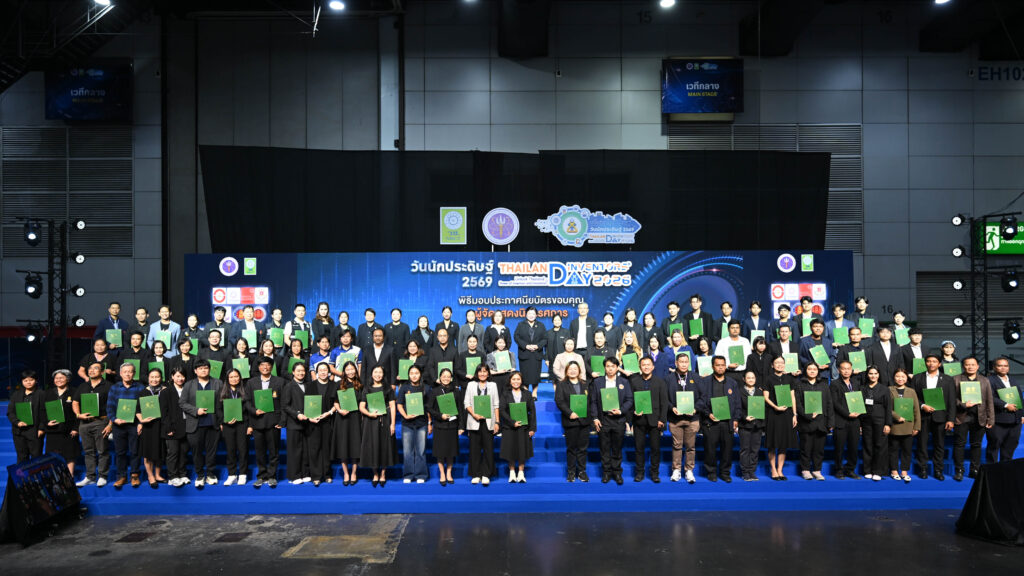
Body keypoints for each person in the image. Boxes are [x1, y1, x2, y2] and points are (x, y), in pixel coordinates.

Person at [910, 354, 956, 480]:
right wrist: (922, 405)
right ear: (925, 363)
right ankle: (923, 469)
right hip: (923, 416)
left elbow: (951, 401)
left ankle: (938, 470)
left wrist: (951, 419)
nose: (931, 363)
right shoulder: (917, 378)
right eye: (929, 361)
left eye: (934, 361)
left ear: (939, 364)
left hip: (941, 416)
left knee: (939, 445)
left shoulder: (947, 379)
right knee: (922, 444)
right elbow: (913, 397)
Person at [179, 359, 224, 488]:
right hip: (195, 424)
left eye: (206, 368)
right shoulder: (189, 384)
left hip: (213, 423)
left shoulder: (218, 383)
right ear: (195, 371)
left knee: (211, 451)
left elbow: (222, 404)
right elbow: (182, 403)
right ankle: (200, 475)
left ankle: (210, 474)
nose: (203, 370)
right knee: (197, 452)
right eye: (200, 368)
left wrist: (221, 421)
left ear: (209, 369)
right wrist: (196, 410)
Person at [589, 357, 633, 485]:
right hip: (603, 420)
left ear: (617, 368)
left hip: (618, 420)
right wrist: (595, 418)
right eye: (608, 366)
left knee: (617, 448)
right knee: (604, 448)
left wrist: (621, 411)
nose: (610, 369)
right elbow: (593, 401)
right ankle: (606, 472)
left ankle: (617, 472)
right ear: (604, 367)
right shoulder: (597, 382)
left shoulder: (624, 382)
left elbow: (629, 400)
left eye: (613, 366)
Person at [698, 356, 741, 482]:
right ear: (713, 367)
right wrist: (708, 414)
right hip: (710, 422)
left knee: (727, 450)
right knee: (710, 449)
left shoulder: (732, 383)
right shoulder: (705, 382)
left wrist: (736, 419)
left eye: (723, 365)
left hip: (728, 422)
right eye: (718, 365)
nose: (720, 367)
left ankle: (725, 472)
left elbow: (737, 403)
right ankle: (711, 472)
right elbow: (700, 401)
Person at [952, 357, 994, 481]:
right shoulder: (955, 379)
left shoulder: (984, 380)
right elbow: (951, 399)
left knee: (976, 444)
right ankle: (959, 470)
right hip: (961, 417)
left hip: (979, 417)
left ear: (977, 366)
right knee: (959, 444)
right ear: (963, 366)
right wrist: (963, 404)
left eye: (973, 364)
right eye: (967, 364)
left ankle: (974, 470)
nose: (970, 367)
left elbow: (989, 400)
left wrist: (991, 419)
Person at [245, 357, 284, 488]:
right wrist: (254, 411)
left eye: (267, 365)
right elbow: (247, 401)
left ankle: (272, 476)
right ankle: (261, 476)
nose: (265, 367)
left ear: (271, 367)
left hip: (273, 422)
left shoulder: (280, 381)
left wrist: (282, 421)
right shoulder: (251, 382)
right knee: (259, 451)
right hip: (257, 421)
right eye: (262, 365)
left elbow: (284, 402)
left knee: (274, 451)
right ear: (258, 367)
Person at [73, 362, 111, 487]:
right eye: (90, 368)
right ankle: (90, 477)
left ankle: (102, 476)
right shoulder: (83, 386)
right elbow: (75, 402)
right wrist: (78, 415)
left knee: (102, 451)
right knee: (88, 451)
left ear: (102, 371)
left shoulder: (108, 386)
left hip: (101, 422)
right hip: (84, 423)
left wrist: (110, 424)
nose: (91, 370)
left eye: (95, 368)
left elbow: (114, 406)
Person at [359, 365, 397, 487]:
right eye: (375, 372)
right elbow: (361, 407)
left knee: (385, 446)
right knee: (372, 446)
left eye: (380, 372)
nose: (378, 374)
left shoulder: (388, 388)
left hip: (385, 420)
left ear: (383, 374)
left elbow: (392, 406)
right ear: (371, 374)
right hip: (370, 421)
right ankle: (375, 473)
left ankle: (383, 473)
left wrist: (392, 424)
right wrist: (369, 414)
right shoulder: (367, 388)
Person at [108, 363, 144, 488]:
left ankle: (135, 475)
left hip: (134, 424)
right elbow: (110, 407)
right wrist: (114, 420)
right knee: (120, 452)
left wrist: (141, 423)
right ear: (120, 373)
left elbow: (143, 408)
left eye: (130, 371)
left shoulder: (140, 388)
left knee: (135, 451)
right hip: (119, 425)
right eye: (125, 372)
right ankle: (121, 476)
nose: (127, 374)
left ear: (134, 373)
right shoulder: (114, 388)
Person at [666, 353, 700, 484]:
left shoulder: (695, 377)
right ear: (676, 363)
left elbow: (703, 397)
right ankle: (676, 469)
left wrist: (696, 409)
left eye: (686, 362)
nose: (684, 364)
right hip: (675, 418)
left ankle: (689, 470)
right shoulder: (669, 379)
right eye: (681, 362)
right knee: (677, 445)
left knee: (691, 446)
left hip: (692, 418)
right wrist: (672, 408)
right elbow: (664, 398)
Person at [795, 362, 833, 481]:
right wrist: (807, 415)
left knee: (819, 449)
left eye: (814, 369)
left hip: (821, 422)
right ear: (805, 371)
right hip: (806, 422)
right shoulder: (799, 385)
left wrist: (830, 422)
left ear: (818, 371)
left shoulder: (824, 385)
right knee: (805, 448)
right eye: (809, 369)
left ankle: (817, 470)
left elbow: (829, 403)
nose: (812, 371)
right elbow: (797, 403)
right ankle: (805, 470)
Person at [630, 356, 666, 483]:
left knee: (655, 449)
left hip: (655, 421)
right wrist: (633, 412)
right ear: (640, 367)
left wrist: (662, 419)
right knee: (639, 448)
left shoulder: (660, 382)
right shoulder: (634, 382)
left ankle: (654, 473)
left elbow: (664, 403)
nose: (646, 367)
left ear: (653, 367)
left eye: (648, 364)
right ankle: (639, 473)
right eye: (643, 365)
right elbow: (630, 400)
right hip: (639, 420)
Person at [554, 361, 590, 482]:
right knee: (571, 448)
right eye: (570, 369)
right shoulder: (561, 384)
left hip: (584, 421)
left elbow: (590, 401)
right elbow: (559, 401)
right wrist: (570, 413)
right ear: (566, 371)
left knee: (583, 449)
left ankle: (582, 472)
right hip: (570, 421)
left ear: (579, 370)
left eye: (575, 368)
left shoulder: (585, 384)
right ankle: (571, 472)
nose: (573, 371)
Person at [764, 356, 799, 481]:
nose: (779, 364)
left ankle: (780, 470)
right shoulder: (768, 379)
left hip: (787, 414)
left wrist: (794, 414)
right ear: (772, 365)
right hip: (773, 413)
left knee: (783, 443)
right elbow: (765, 397)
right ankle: (773, 469)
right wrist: (776, 407)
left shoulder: (789, 378)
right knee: (772, 443)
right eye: (777, 362)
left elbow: (793, 397)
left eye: (782, 362)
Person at [465, 364, 500, 486]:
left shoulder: (493, 385)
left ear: (488, 373)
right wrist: (474, 414)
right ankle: (475, 474)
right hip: (474, 421)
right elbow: (467, 403)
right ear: (477, 373)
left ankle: (486, 474)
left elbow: (496, 405)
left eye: (485, 371)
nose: (483, 374)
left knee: (488, 449)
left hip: (488, 422)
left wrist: (497, 422)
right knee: (474, 449)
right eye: (480, 371)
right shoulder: (471, 385)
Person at [426, 367, 462, 486]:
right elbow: (429, 408)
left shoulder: (456, 391)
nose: (446, 378)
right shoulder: (434, 391)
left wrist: (461, 426)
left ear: (451, 378)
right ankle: (442, 473)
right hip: (439, 425)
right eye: (444, 376)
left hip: (452, 425)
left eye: (448, 376)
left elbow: (460, 409)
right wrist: (440, 415)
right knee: (440, 452)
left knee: (451, 452)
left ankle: (449, 473)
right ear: (440, 378)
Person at [499, 371, 536, 483]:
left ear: (521, 380)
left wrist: (532, 428)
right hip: (509, 427)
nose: (516, 381)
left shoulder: (527, 394)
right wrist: (512, 422)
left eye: (518, 379)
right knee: (510, 450)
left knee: (522, 450)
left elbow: (532, 412)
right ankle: (512, 472)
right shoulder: (505, 393)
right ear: (510, 381)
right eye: (513, 379)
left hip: (524, 427)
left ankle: (521, 472)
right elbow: (502, 410)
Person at [281, 362, 314, 485]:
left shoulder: (308, 385)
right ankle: (294, 475)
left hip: (307, 423)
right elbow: (285, 406)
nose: (301, 373)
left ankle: (305, 473)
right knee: (294, 450)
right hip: (294, 423)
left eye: (303, 371)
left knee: (305, 450)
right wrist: (297, 414)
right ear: (293, 372)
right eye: (298, 371)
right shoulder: (288, 386)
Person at [332, 361, 363, 486]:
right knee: (343, 446)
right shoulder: (339, 384)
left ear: (355, 370)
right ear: (344, 371)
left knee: (355, 446)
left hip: (356, 418)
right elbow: (335, 401)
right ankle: (346, 473)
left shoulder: (360, 384)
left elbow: (363, 402)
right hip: (342, 418)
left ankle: (354, 472)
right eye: (348, 369)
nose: (350, 372)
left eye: (352, 369)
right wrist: (339, 410)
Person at [397, 364, 430, 483]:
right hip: (407, 423)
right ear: (408, 375)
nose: (414, 376)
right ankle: (408, 474)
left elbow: (429, 407)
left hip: (422, 423)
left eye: (416, 373)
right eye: (411, 373)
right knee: (407, 451)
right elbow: (399, 404)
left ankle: (421, 474)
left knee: (421, 450)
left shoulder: (426, 388)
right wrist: (405, 415)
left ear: (420, 374)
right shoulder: (404, 388)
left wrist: (429, 423)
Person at [988, 356, 1024, 463]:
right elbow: (989, 397)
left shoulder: (1013, 380)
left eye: (1006, 366)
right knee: (994, 446)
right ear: (994, 367)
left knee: (1010, 447)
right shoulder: (989, 380)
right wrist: (1005, 405)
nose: (1003, 368)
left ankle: (1005, 469)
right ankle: (992, 469)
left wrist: (1022, 414)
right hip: (998, 420)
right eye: (1000, 366)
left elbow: (1020, 398)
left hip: (1015, 420)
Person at [831, 360, 863, 479]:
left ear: (851, 370)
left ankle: (850, 470)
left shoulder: (856, 383)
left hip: (855, 421)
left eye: (848, 368)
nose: (846, 371)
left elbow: (859, 400)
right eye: (843, 368)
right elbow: (835, 403)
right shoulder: (834, 384)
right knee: (839, 448)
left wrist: (859, 413)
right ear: (839, 370)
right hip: (841, 420)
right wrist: (848, 414)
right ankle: (839, 470)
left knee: (853, 447)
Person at [43, 369, 79, 476]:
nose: (58, 380)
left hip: (69, 429)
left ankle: (70, 477)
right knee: (52, 455)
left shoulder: (75, 392)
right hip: (53, 430)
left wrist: (76, 428)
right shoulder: (48, 393)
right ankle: (55, 477)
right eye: (56, 378)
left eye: (61, 378)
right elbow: (42, 411)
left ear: (67, 379)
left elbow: (79, 411)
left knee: (70, 454)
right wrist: (47, 422)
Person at [861, 366, 892, 481]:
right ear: (867, 375)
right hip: (866, 421)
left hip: (880, 421)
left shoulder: (884, 389)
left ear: (878, 375)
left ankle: (878, 471)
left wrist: (888, 424)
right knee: (867, 445)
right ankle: (867, 470)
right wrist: (860, 424)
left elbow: (888, 407)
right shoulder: (862, 388)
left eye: (875, 373)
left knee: (880, 446)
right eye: (870, 373)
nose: (873, 376)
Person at [888, 368, 920, 482]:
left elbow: (916, 409)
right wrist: (896, 416)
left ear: (907, 378)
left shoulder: (911, 391)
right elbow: (886, 407)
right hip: (894, 425)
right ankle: (894, 470)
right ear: (894, 377)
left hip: (908, 425)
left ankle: (904, 471)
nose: (900, 379)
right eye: (898, 376)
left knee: (907, 450)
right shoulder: (889, 390)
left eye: (903, 376)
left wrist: (917, 426)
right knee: (893, 450)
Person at [219, 368, 249, 486]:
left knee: (243, 450)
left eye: (236, 376)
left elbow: (249, 409)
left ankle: (242, 474)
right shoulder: (222, 391)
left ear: (240, 378)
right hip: (228, 425)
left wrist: (250, 425)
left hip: (242, 424)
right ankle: (232, 475)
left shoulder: (245, 390)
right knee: (230, 450)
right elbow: (218, 410)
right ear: (227, 379)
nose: (234, 379)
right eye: (231, 377)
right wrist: (224, 420)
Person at [161, 368, 191, 487]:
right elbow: (164, 413)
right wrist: (168, 428)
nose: (180, 378)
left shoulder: (188, 390)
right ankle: (173, 476)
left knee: (184, 452)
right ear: (172, 377)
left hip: (186, 426)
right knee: (173, 453)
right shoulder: (166, 392)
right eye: (177, 376)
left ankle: (182, 474)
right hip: (171, 428)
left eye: (182, 376)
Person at [137, 368, 166, 488]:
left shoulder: (165, 391)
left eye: (157, 377)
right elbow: (138, 410)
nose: (154, 379)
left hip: (161, 425)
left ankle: (158, 474)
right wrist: (141, 421)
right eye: (152, 377)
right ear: (148, 378)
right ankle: (150, 476)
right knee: (148, 452)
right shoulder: (143, 392)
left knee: (159, 451)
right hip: (148, 426)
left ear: (161, 378)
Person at [307, 362, 335, 485]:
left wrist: (329, 413)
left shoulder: (334, 385)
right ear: (317, 372)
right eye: (321, 370)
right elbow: (307, 404)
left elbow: (337, 403)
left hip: (328, 420)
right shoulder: (310, 386)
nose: (323, 372)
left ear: (328, 372)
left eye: (325, 370)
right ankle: (316, 476)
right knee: (315, 449)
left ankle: (327, 474)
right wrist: (310, 417)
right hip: (314, 422)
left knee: (326, 448)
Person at [9, 369, 44, 463]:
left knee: (36, 457)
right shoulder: (16, 394)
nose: (28, 382)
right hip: (19, 431)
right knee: (21, 457)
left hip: (35, 430)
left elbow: (45, 412)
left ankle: (37, 473)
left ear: (36, 380)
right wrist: (17, 422)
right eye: (25, 380)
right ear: (22, 381)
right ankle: (23, 473)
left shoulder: (41, 394)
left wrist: (41, 428)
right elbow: (10, 412)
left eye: (31, 380)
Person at [737, 370, 765, 481]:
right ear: (744, 379)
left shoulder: (759, 392)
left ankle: (752, 472)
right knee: (745, 450)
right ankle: (745, 472)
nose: (751, 380)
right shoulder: (739, 391)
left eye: (753, 378)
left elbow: (762, 408)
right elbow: (737, 407)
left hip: (757, 425)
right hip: (745, 425)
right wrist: (744, 417)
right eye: (748, 378)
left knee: (755, 450)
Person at [514, 307, 546, 398]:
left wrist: (537, 346)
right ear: (526, 314)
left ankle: (534, 393)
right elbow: (516, 337)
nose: (531, 315)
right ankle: (526, 393)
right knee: (525, 375)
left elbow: (545, 338)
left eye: (533, 314)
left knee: (535, 375)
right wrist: (526, 346)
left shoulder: (541, 325)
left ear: (536, 315)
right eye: (529, 313)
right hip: (525, 353)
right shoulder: (521, 325)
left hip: (536, 354)